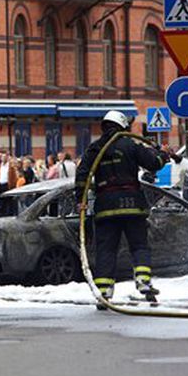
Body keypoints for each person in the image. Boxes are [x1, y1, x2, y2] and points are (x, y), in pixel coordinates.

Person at [74, 110, 171, 307]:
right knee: (139, 245)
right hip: (132, 206)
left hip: (106, 208)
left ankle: (104, 293)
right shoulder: (130, 145)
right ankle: (143, 281)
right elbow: (153, 163)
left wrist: (80, 200)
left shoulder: (95, 148)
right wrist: (163, 155)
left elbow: (82, 175)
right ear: (122, 126)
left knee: (106, 250)